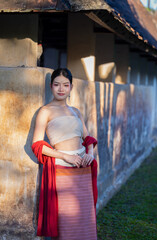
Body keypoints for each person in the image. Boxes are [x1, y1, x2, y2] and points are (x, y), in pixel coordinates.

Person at [32, 68, 98, 240]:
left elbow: (87, 137)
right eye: (56, 85)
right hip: (61, 169)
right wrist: (65, 156)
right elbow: (37, 145)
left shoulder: (76, 111)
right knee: (65, 221)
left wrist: (90, 153)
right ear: (50, 86)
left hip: (82, 167)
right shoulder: (45, 111)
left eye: (65, 85)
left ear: (71, 87)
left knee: (84, 217)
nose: (61, 89)